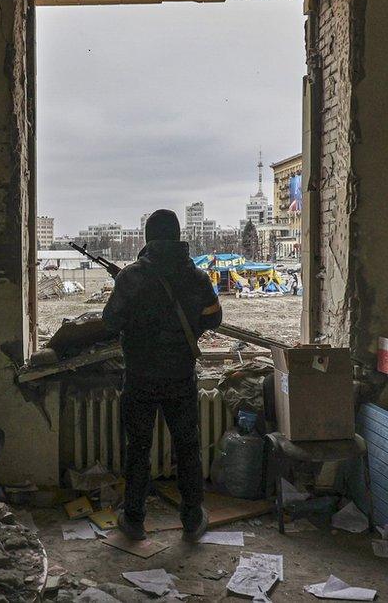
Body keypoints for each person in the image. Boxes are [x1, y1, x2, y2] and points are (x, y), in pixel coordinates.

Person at [102, 209, 223, 542]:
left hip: (140, 377)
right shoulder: (197, 278)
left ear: (148, 238)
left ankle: (135, 519)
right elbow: (215, 318)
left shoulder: (131, 277)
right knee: (187, 448)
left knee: (138, 448)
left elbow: (110, 321)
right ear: (177, 236)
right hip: (181, 377)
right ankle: (192, 519)